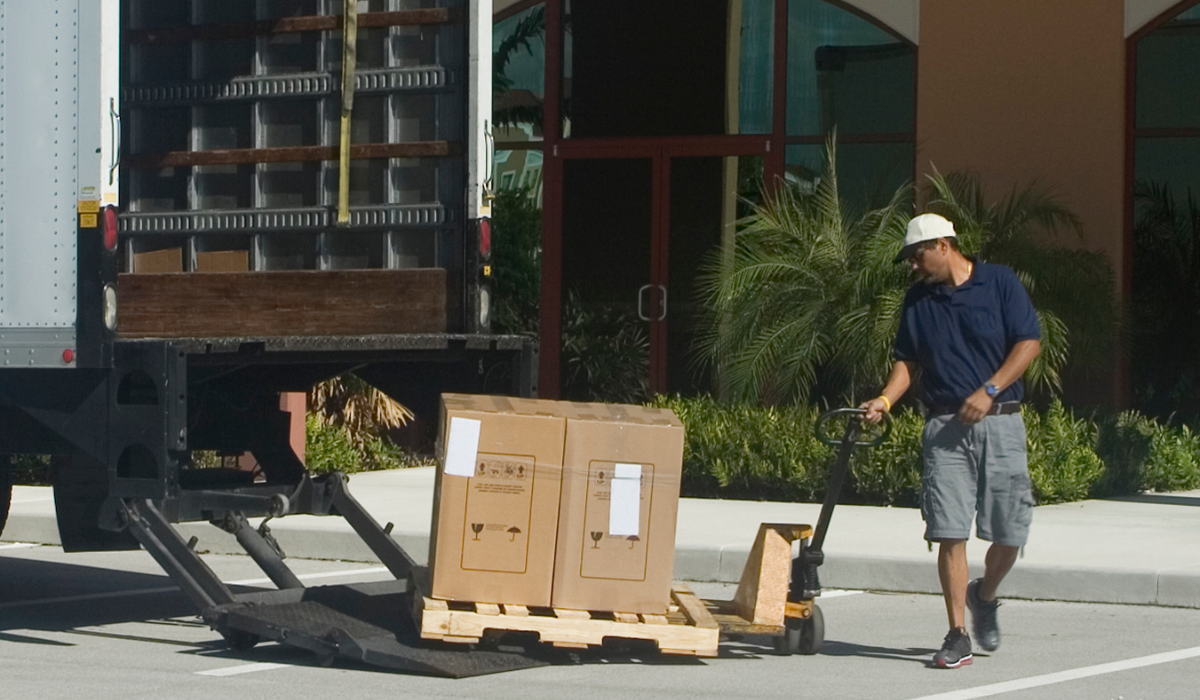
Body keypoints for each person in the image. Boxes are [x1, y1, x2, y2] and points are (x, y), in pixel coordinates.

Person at [860, 213, 1041, 669]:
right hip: (944, 429)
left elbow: (1028, 344)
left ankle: (986, 594)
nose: (913, 266)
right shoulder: (918, 302)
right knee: (948, 530)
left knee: (1010, 532)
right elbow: (907, 363)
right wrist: (884, 399)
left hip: (1001, 422)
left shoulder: (999, 283)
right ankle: (957, 634)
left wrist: (990, 390)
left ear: (943, 245)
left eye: (917, 255)